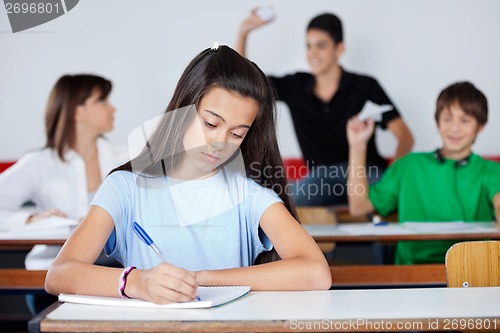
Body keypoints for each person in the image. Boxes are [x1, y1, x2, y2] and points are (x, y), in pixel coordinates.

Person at [45, 45, 332, 303]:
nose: (219, 144)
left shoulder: (249, 195)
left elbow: (316, 273)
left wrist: (199, 279)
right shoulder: (125, 187)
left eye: (236, 134)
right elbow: (59, 274)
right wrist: (137, 282)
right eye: (210, 123)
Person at [236, 11, 414, 206]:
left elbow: (405, 136)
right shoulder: (296, 85)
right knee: (278, 200)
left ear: (339, 48)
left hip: (365, 174)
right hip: (320, 179)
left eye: (321, 46)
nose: (312, 54)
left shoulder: (365, 86)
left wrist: (393, 178)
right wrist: (243, 33)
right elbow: (247, 85)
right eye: (308, 46)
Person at [0, 74, 125, 313]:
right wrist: (29, 220)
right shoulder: (38, 163)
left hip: (114, 274)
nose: (112, 107)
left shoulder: (126, 156)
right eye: (102, 100)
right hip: (50, 278)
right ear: (76, 112)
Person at [347, 81, 500, 265]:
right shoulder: (409, 165)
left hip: (470, 272)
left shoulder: (491, 171)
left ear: (480, 126)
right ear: (437, 122)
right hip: (411, 274)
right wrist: (357, 146)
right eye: (447, 118)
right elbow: (358, 207)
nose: (454, 128)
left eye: (465, 120)